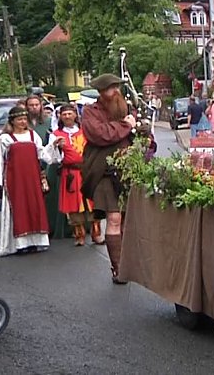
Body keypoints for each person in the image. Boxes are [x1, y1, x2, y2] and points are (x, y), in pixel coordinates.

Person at [81, 73, 138, 284]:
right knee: (114, 219)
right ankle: (119, 268)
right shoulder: (90, 112)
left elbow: (137, 135)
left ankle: (129, 264)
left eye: (117, 87)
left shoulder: (124, 108)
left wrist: (142, 133)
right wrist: (126, 126)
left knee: (127, 220)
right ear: (101, 92)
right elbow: (100, 134)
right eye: (111, 88)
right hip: (104, 171)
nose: (115, 92)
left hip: (128, 171)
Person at [0, 107, 64, 256]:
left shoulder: (33, 136)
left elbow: (44, 155)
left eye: (24, 119)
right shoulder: (5, 139)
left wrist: (53, 145)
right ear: (12, 121)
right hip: (15, 180)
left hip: (32, 178)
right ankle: (20, 244)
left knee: (34, 206)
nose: (22, 122)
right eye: (19, 119)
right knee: (19, 207)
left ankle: (36, 241)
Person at [52, 105, 101, 247]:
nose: (67, 116)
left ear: (75, 115)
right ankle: (79, 236)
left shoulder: (85, 132)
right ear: (60, 116)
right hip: (70, 174)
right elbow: (53, 158)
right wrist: (56, 147)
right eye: (64, 114)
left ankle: (96, 234)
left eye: (70, 113)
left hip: (87, 172)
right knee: (73, 206)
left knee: (93, 203)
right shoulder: (56, 135)